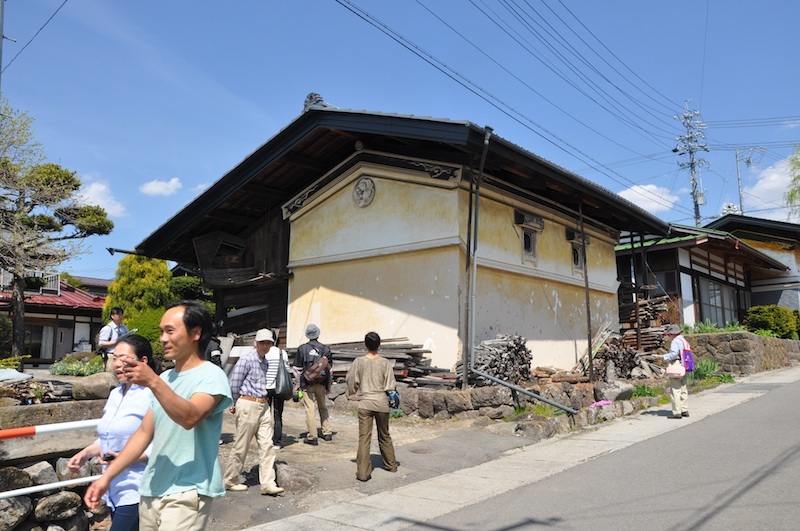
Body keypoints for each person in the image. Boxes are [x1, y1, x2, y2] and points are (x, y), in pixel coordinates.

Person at [84, 300, 232, 531]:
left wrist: (153, 381)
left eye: (170, 331)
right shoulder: (165, 377)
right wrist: (107, 477)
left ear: (196, 333)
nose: (163, 338)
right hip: (152, 488)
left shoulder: (211, 376)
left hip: (188, 490)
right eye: (161, 331)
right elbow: (143, 434)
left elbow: (190, 418)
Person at [69, 335, 160, 531]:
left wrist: (124, 458)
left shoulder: (153, 394)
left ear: (142, 361)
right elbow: (109, 437)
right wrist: (85, 453)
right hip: (113, 490)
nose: (117, 364)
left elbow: (161, 443)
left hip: (138, 488)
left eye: (124, 358)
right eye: (115, 358)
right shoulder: (115, 394)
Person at [223, 328, 284, 496]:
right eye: (262, 342)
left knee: (267, 445)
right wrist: (234, 402)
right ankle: (230, 480)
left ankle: (268, 482)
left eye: (268, 343)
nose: (265, 346)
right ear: (256, 343)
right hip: (248, 403)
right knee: (241, 445)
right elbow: (235, 383)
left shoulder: (265, 362)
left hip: (263, 405)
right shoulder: (247, 359)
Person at [345, 331, 398, 482]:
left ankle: (362, 473)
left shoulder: (358, 362)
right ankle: (391, 465)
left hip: (365, 402)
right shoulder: (385, 363)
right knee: (384, 435)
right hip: (381, 402)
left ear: (365, 344)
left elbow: (351, 380)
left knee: (364, 438)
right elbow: (390, 385)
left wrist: (351, 393)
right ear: (379, 345)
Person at [292, 323, 333, 445]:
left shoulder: (302, 349)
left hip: (307, 383)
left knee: (310, 409)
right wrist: (329, 386)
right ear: (318, 334)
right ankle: (327, 432)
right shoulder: (326, 349)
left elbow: (297, 369)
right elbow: (330, 370)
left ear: (307, 335)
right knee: (323, 407)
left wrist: (297, 385)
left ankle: (312, 436)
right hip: (321, 383)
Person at [265, 332, 290, 449]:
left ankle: (265, 439)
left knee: (265, 415)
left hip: (266, 386)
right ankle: (277, 442)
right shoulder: (282, 352)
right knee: (278, 415)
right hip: (280, 387)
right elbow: (287, 369)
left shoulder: (265, 352)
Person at [661, 323, 690, 419]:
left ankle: (677, 412)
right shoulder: (684, 340)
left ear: (673, 334)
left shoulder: (675, 341)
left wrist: (663, 357)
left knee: (675, 389)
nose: (669, 336)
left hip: (676, 365)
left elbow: (673, 354)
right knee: (683, 388)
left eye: (669, 334)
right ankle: (684, 409)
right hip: (685, 365)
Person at [98, 307, 129, 372]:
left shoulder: (124, 328)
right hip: (111, 355)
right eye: (118, 315)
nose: (120, 317)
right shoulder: (108, 328)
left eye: (121, 315)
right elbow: (101, 344)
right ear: (112, 316)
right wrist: (116, 342)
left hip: (124, 355)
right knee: (111, 376)